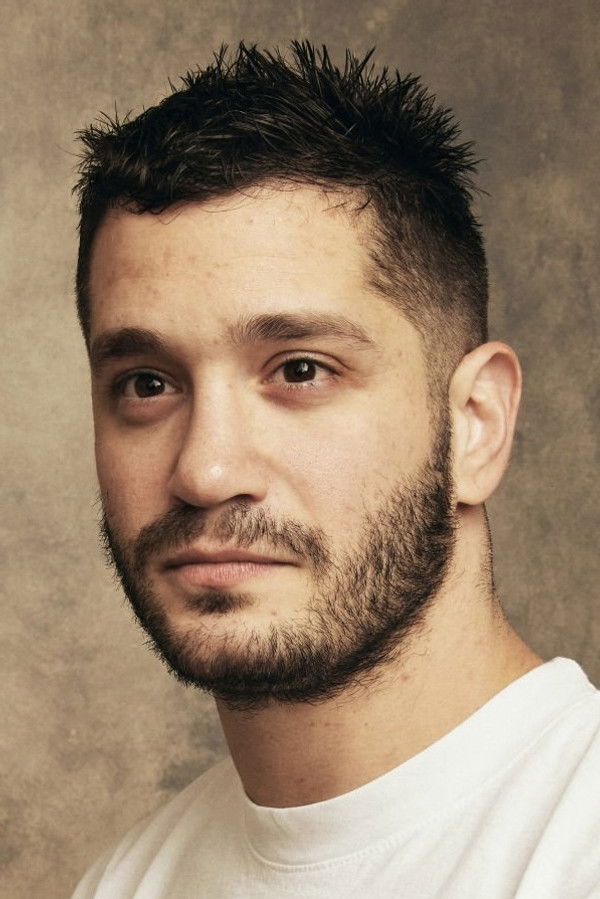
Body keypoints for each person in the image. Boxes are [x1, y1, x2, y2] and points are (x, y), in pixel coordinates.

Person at [71, 41, 600, 898]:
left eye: (300, 369)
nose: (206, 470)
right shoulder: (123, 883)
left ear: (475, 424)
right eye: (147, 383)